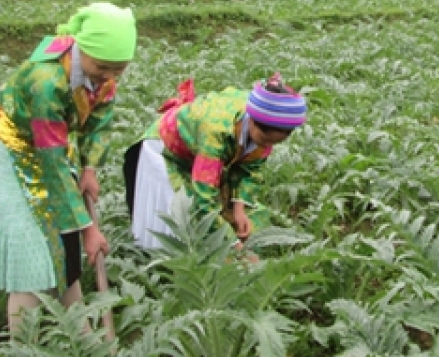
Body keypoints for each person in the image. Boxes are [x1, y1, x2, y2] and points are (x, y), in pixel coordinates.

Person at [0, 2, 135, 333]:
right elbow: (52, 166)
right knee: (31, 251)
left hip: (54, 148)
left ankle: (81, 335)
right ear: (80, 48)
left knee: (65, 246)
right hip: (14, 152)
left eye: (118, 70)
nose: (109, 77)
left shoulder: (102, 74)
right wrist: (89, 228)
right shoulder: (45, 81)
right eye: (103, 66)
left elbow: (99, 122)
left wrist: (90, 168)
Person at [123, 75, 307, 248]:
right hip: (166, 149)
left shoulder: (264, 123)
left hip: (199, 153)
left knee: (240, 216)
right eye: (265, 140)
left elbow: (250, 170)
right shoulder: (216, 131)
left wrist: (239, 208)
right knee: (181, 214)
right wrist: (232, 245)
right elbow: (203, 197)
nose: (267, 147)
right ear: (251, 121)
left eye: (275, 142)